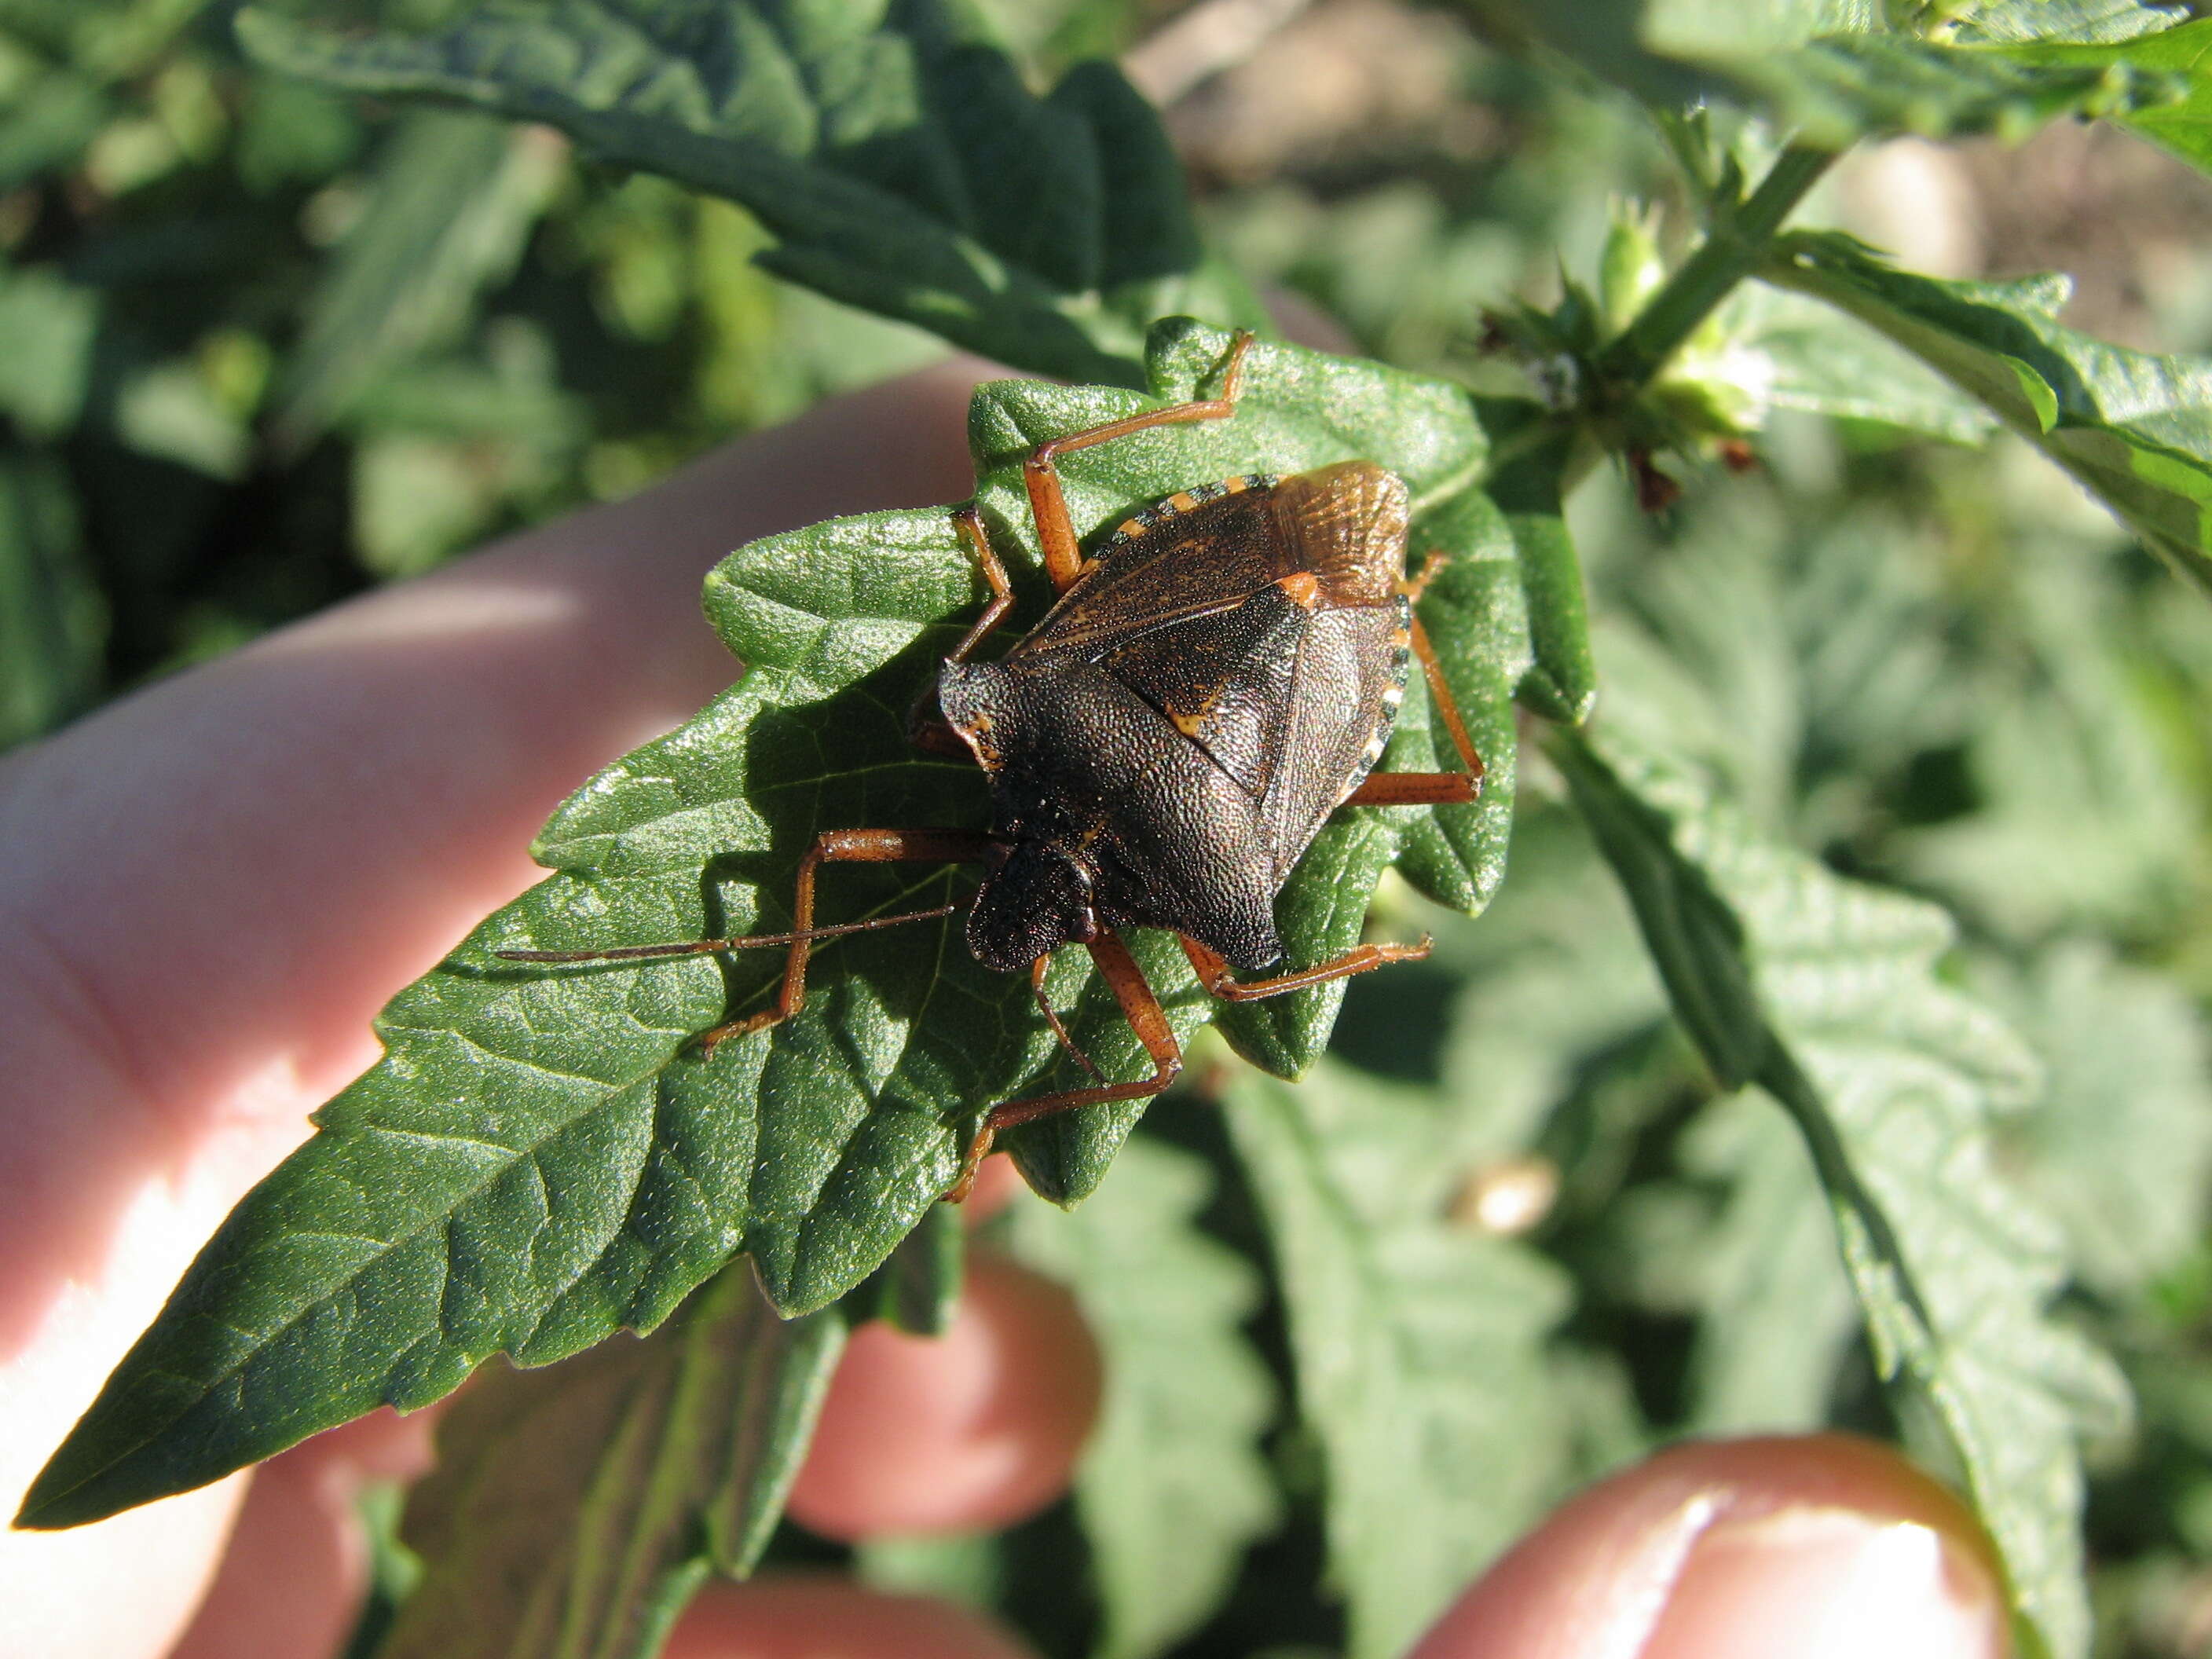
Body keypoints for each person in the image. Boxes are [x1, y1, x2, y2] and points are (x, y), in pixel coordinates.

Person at [0, 358, 2006, 1658]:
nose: (1030, 956)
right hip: (1290, 646)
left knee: (1090, 675)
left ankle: (1274, 499)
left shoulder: (1020, 757)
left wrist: (1321, 640)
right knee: (1152, 750)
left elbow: (1000, 621)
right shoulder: (1060, 793)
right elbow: (1012, 688)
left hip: (1282, 623)